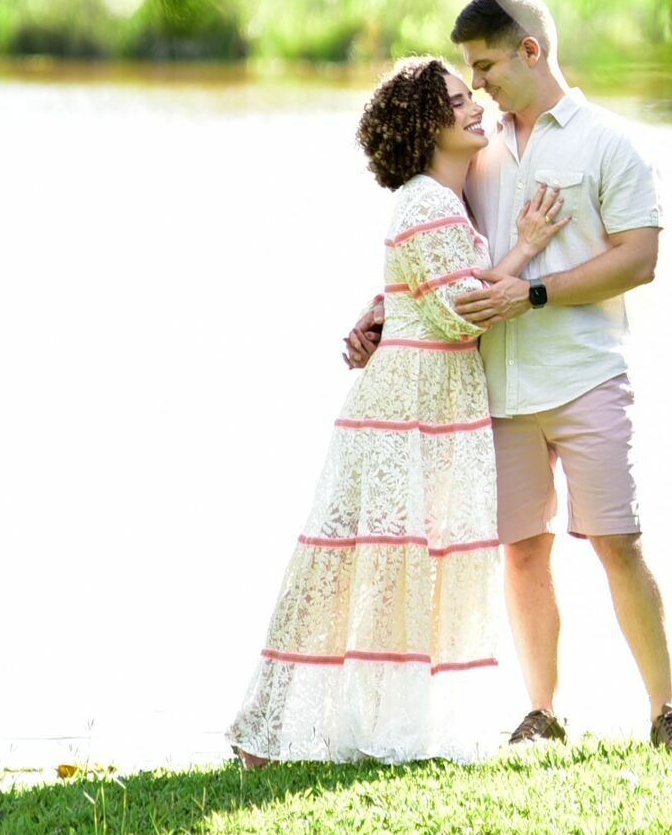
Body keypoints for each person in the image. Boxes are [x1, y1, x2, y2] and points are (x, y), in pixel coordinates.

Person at [345, 0, 672, 755]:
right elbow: (443, 250)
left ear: (530, 51)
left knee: (618, 541)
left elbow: (639, 260)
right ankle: (541, 714)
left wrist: (532, 292)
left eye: (485, 67)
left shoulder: (611, 144)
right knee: (522, 551)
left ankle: (666, 712)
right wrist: (384, 311)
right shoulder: (480, 149)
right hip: (495, 390)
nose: (477, 87)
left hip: (585, 376)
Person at [228, 56, 569, 765]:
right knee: (354, 563)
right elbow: (458, 313)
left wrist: (390, 305)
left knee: (405, 564)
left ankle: (387, 726)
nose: (474, 105)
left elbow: (434, 293)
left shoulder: (444, 201)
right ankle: (268, 737)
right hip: (402, 408)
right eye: (456, 99)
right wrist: (529, 249)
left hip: (432, 403)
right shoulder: (424, 200)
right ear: (426, 123)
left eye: (472, 92)